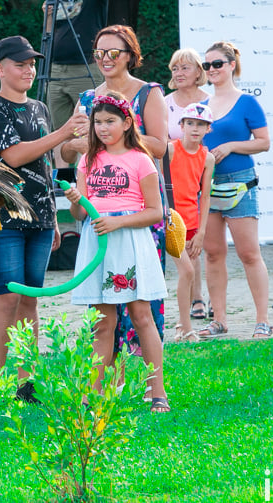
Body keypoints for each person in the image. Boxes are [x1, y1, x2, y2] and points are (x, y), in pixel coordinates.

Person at [0, 35, 89, 402]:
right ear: (0, 68)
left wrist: (54, 219)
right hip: (4, 217)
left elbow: (44, 163)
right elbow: (13, 156)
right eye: (20, 64)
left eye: (31, 64)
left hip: (40, 218)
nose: (28, 70)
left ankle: (26, 383)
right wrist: (62, 133)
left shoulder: (40, 107)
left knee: (31, 300)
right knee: (7, 298)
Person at [60, 24, 168, 368]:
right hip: (98, 206)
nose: (105, 59)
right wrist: (82, 146)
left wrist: (117, 140)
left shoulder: (149, 93)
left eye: (113, 53)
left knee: (141, 305)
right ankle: (112, 381)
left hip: (137, 205)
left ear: (130, 56)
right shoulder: (87, 99)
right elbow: (67, 149)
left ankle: (149, 382)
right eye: (99, 53)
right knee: (104, 311)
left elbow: (160, 146)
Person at [63, 92, 169, 412]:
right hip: (98, 243)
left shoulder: (140, 159)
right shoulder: (87, 160)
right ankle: (94, 394)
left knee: (141, 315)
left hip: (131, 243)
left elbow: (155, 212)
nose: (103, 128)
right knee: (102, 322)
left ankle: (157, 391)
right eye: (97, 122)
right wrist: (75, 199)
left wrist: (118, 222)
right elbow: (81, 214)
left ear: (126, 123)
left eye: (110, 121)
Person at [197, 41, 272, 339]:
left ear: (231, 65)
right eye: (207, 66)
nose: (212, 70)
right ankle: (219, 319)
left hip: (240, 182)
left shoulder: (247, 102)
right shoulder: (202, 105)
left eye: (217, 64)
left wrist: (230, 146)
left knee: (249, 253)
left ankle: (263, 320)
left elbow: (264, 142)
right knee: (213, 254)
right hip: (207, 184)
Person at [46, 0, 108, 166]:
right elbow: (49, 31)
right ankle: (62, 180)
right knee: (60, 129)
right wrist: (48, 15)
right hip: (56, 69)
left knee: (89, 126)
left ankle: (88, 174)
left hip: (85, 68)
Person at [165, 48, 211, 320]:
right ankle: (184, 312)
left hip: (200, 174)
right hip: (172, 193)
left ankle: (201, 299)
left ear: (197, 72)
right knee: (185, 260)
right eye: (174, 68)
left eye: (184, 68)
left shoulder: (210, 100)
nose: (178, 73)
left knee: (199, 250)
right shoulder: (165, 101)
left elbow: (205, 196)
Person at [167, 103, 215, 342]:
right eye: (190, 123)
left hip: (193, 223)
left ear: (208, 129)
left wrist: (202, 232)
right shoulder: (170, 149)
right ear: (181, 126)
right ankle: (185, 327)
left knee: (188, 274)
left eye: (201, 125)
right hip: (170, 220)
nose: (195, 129)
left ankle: (180, 325)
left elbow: (204, 196)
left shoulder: (208, 157)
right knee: (186, 271)